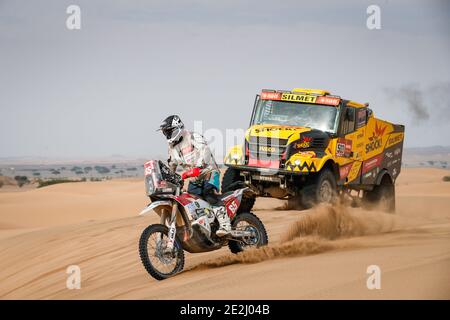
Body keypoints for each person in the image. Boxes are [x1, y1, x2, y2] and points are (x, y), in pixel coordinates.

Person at [158, 115, 231, 237]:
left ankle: (225, 225)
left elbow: (205, 150)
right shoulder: (172, 148)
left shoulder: (192, 136)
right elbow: (172, 165)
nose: (167, 135)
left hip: (209, 172)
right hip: (194, 178)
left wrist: (199, 165)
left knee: (209, 195)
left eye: (169, 131)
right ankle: (206, 225)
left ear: (177, 128)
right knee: (191, 201)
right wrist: (166, 179)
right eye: (166, 132)